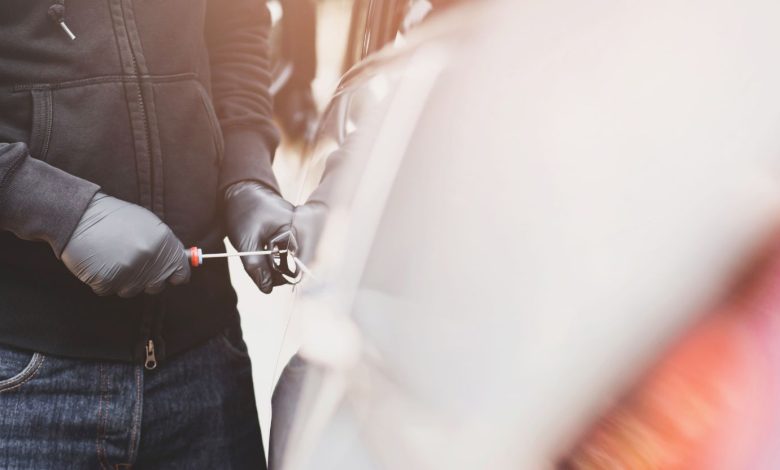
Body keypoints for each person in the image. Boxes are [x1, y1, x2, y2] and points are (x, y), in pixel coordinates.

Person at [0, 1, 323, 468]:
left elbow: (237, 27)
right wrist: (59, 211)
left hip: (207, 367)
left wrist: (245, 173)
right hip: (25, 383)